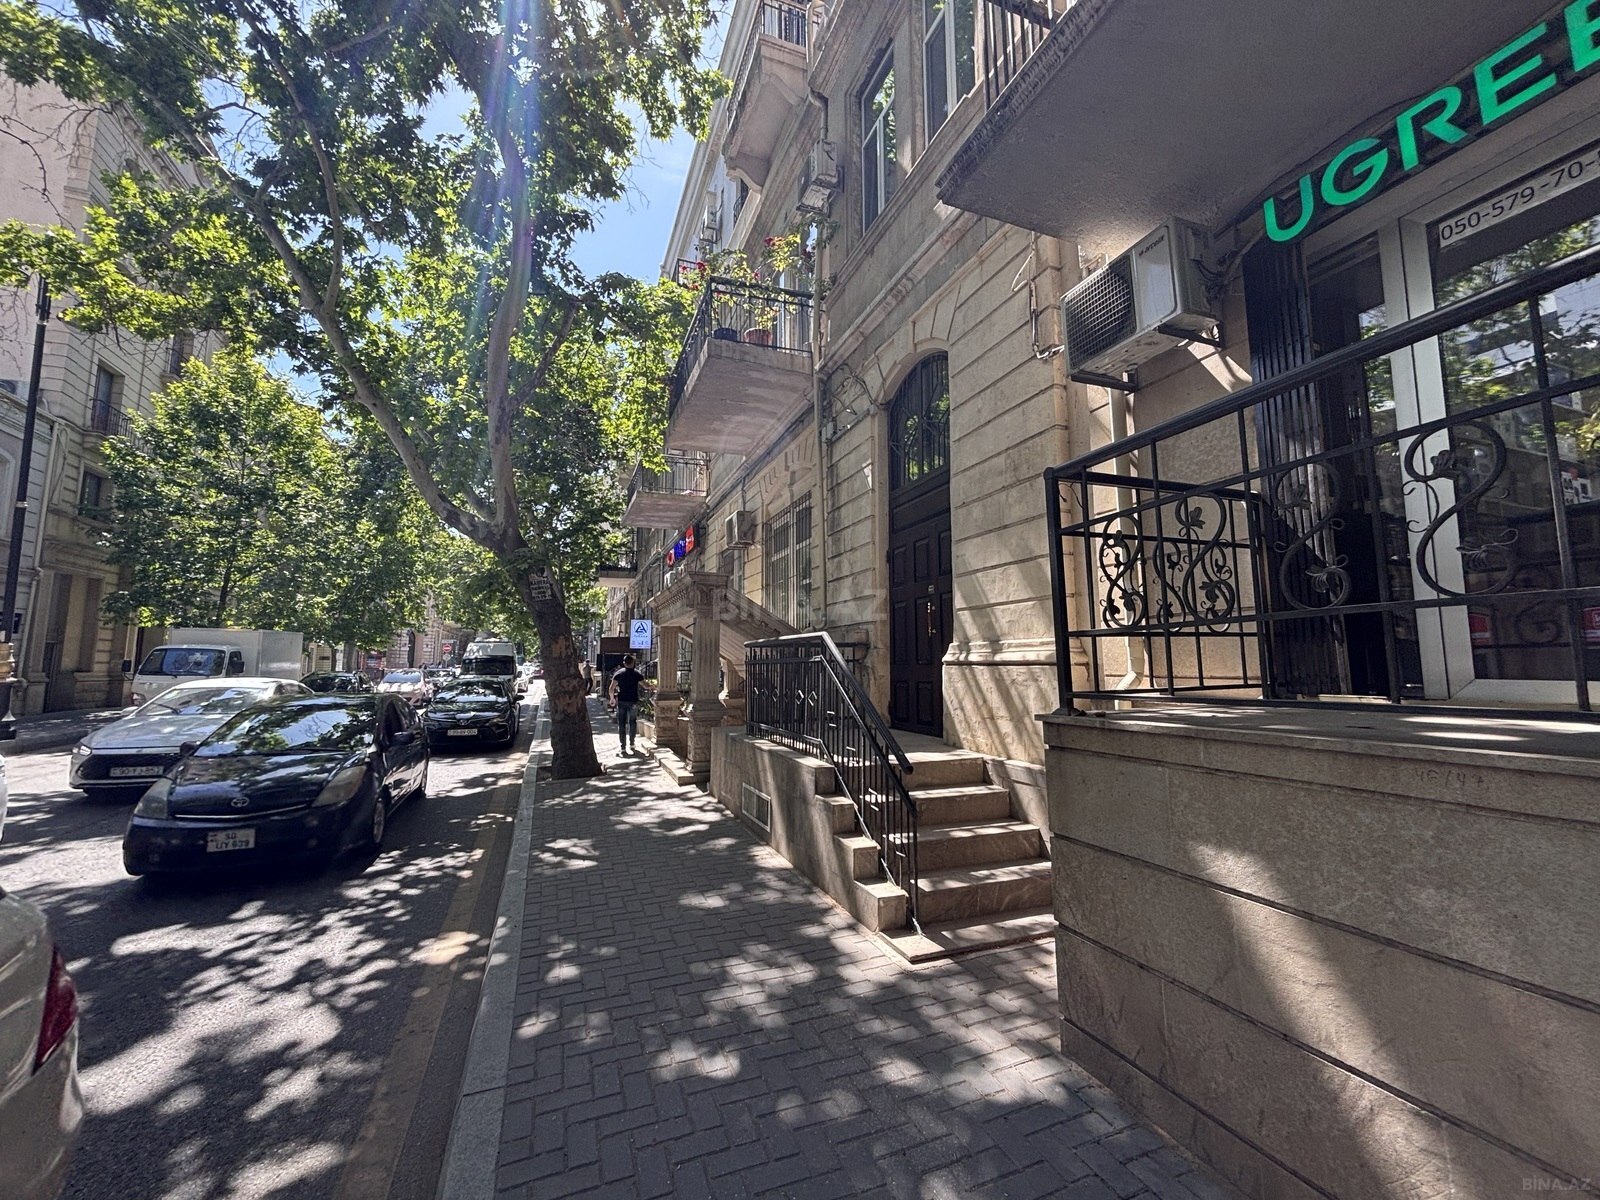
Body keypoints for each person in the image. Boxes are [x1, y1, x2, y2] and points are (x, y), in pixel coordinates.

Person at [608, 654, 648, 755]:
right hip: (633, 700)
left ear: (624, 663)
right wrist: (653, 687)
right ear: (633, 662)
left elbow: (611, 688)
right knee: (632, 722)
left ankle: (623, 746)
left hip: (622, 701)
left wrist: (612, 698)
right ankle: (632, 743)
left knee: (621, 723)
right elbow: (645, 686)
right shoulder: (637, 674)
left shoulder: (619, 673)